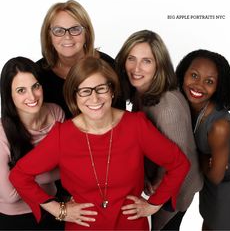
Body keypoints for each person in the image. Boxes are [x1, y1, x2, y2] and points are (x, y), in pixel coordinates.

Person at [10, 56, 190, 230]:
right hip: (83, 227)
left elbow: (179, 163)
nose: (94, 98)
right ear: (74, 96)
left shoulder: (136, 126)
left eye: (101, 88)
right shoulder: (62, 135)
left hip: (131, 225)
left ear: (112, 91)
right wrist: (58, 209)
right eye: (85, 91)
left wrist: (154, 203)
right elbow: (19, 175)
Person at [115, 29, 203, 230]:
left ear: (159, 65)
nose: (136, 68)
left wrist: (158, 197)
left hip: (179, 188)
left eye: (147, 60)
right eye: (131, 58)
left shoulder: (167, 106)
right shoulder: (142, 90)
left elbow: (182, 161)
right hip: (161, 182)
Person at [0, 56, 65, 230]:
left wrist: (21, 176)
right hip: (15, 218)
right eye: (21, 90)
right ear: (9, 94)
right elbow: (11, 196)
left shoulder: (56, 113)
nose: (32, 96)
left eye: (35, 86)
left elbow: (69, 167)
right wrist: (51, 172)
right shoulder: (1, 133)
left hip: (54, 207)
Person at [175, 49, 230, 231]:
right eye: (194, 75)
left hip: (229, 184)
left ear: (219, 86)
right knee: (207, 220)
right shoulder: (188, 106)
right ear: (183, 73)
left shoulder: (219, 126)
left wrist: (199, 157)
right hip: (208, 177)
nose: (198, 85)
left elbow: (217, 176)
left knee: (216, 225)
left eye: (209, 81)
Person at [37, 0, 125, 119]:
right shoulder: (37, 73)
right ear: (49, 35)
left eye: (75, 29)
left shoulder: (109, 66)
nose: (67, 36)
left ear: (86, 33)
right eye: (58, 31)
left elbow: (121, 117)